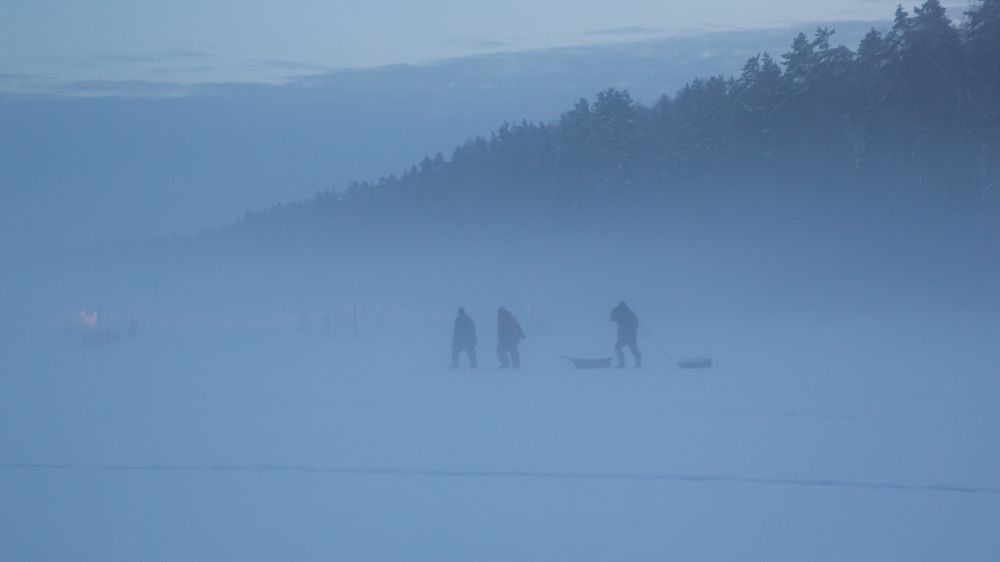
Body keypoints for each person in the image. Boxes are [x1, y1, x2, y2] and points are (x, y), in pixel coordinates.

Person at [610, 301, 641, 368]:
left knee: (620, 348)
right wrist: (615, 311)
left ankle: (625, 364)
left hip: (629, 336)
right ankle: (625, 364)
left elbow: (635, 324)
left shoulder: (629, 314)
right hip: (626, 336)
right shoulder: (622, 314)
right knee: (620, 348)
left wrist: (616, 311)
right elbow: (612, 318)